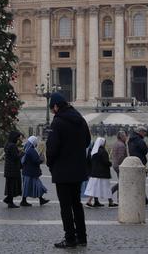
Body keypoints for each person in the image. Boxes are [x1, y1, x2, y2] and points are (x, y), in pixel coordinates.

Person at [46, 93, 91, 249]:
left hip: (62, 171)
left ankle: (70, 238)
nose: (52, 112)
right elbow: (87, 142)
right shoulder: (80, 119)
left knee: (65, 206)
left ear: (57, 106)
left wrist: (50, 163)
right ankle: (82, 237)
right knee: (76, 204)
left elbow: (51, 148)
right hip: (78, 169)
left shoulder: (57, 122)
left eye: (52, 109)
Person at [85, 137, 116, 208]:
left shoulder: (93, 151)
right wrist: (110, 163)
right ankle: (110, 202)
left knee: (94, 188)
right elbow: (106, 162)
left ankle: (90, 201)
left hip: (94, 173)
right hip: (103, 173)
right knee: (107, 188)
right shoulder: (103, 151)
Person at [20, 135, 49, 207]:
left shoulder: (27, 149)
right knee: (37, 186)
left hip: (28, 172)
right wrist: (41, 160)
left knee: (33, 186)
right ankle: (24, 201)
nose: (37, 144)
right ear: (33, 143)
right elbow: (35, 160)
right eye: (36, 143)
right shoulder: (31, 150)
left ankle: (41, 199)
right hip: (31, 173)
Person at [3, 131, 23, 208]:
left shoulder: (8, 144)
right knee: (11, 186)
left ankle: (8, 199)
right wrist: (21, 153)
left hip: (8, 169)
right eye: (18, 137)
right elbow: (15, 157)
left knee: (10, 185)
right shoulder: (12, 146)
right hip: (13, 169)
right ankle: (10, 202)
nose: (19, 139)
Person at [110, 131, 128, 202]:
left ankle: (119, 198)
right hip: (120, 166)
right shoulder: (121, 145)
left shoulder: (116, 143)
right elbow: (121, 157)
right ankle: (111, 192)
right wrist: (124, 165)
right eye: (125, 136)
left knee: (121, 181)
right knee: (122, 182)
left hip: (115, 164)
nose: (126, 137)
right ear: (121, 137)